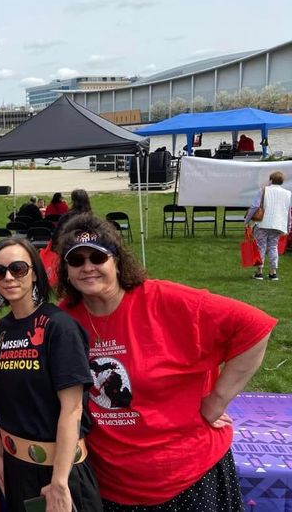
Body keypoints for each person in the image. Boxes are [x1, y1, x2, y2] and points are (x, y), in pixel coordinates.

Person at [55, 213, 275, 510]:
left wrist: (217, 401)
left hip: (187, 479)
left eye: (97, 257)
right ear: (66, 270)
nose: (88, 267)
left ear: (117, 261)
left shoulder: (167, 301)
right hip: (111, 485)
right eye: (76, 261)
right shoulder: (63, 320)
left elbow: (255, 326)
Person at [0, 237, 102, 512]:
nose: (9, 277)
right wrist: (0, 452)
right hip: (17, 469)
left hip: (59, 471)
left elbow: (72, 408)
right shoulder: (2, 328)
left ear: (35, 272)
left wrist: (59, 482)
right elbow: (11, 397)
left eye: (18, 268)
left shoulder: (59, 327)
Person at [246, 170, 292, 280]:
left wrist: (247, 220)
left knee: (261, 247)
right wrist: (288, 226)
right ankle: (273, 273)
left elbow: (255, 207)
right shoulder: (288, 193)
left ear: (271, 180)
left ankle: (259, 272)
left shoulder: (263, 190)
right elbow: (288, 211)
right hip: (278, 224)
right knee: (273, 247)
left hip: (262, 223)